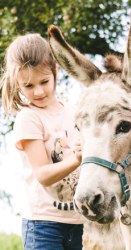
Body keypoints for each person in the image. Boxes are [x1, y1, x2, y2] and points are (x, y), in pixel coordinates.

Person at [0, 33, 84, 249]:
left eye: (44, 81)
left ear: (55, 72)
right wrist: (76, 160)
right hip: (44, 226)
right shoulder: (29, 118)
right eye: (28, 86)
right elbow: (43, 175)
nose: (38, 91)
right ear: (17, 84)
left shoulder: (75, 112)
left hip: (79, 222)